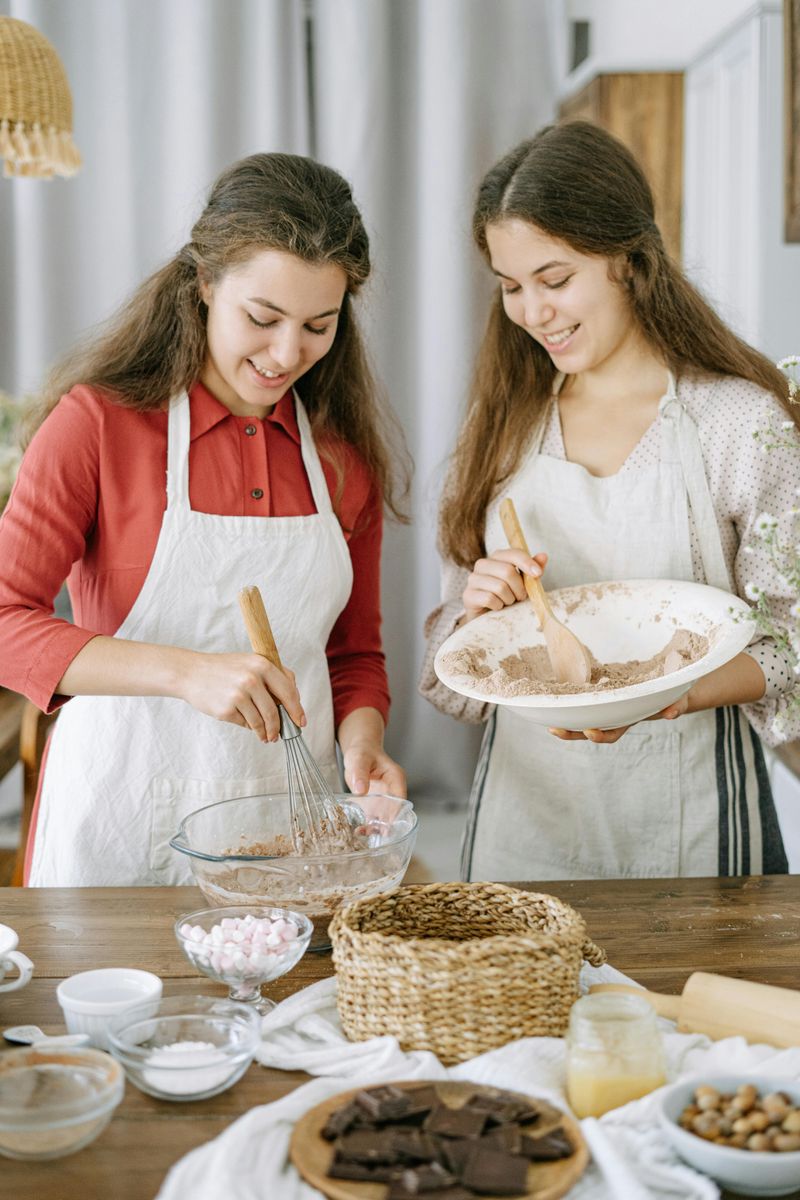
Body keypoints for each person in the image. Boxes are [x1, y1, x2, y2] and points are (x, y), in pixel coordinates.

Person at [0, 152, 409, 886]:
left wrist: (362, 741)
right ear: (204, 282)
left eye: (320, 325)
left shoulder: (342, 460)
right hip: (119, 819)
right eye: (263, 317)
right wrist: (185, 673)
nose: (289, 353)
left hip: (290, 824)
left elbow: (352, 655)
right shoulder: (98, 427)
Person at [420, 121, 800, 883]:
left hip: (693, 822)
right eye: (510, 286)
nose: (532, 312)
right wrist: (476, 613)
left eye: (554, 280)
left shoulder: (737, 420)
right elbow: (449, 668)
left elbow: (790, 640)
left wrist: (662, 695)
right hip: (522, 833)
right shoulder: (501, 425)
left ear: (629, 259)